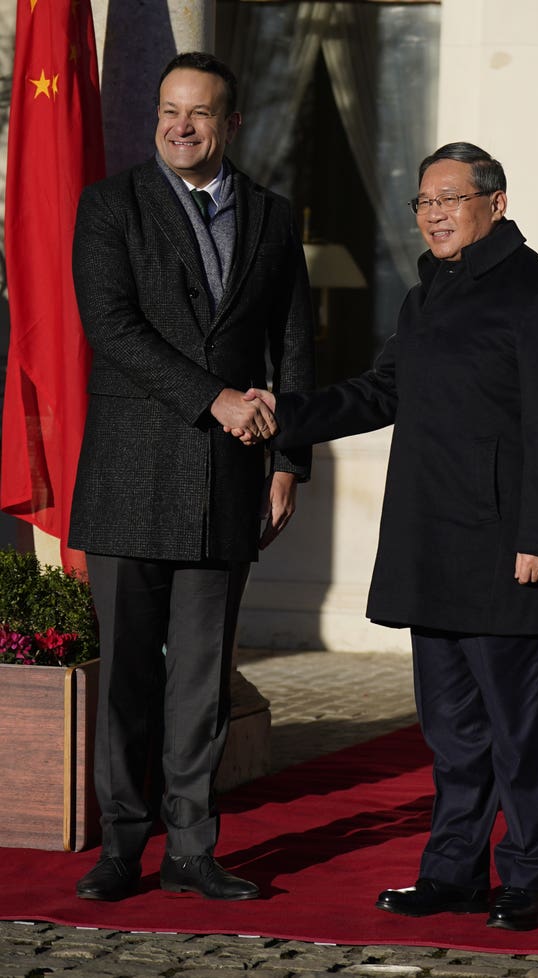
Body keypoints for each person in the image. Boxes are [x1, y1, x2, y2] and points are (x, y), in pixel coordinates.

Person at [237, 142, 538, 931]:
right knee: (454, 730)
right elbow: (382, 391)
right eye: (423, 202)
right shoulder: (426, 292)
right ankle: (452, 872)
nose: (432, 214)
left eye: (448, 199)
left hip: (510, 551)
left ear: (494, 203)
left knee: (521, 731)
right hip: (432, 543)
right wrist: (285, 412)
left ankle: (525, 876)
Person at [69, 52, 314, 902]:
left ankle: (191, 849)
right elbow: (111, 325)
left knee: (202, 680)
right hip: (130, 475)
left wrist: (289, 463)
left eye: (199, 113)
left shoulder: (276, 218)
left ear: (230, 124)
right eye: (169, 109)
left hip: (231, 479)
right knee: (127, 677)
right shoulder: (110, 205)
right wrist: (215, 399)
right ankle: (120, 846)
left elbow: (292, 345)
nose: (179, 124)